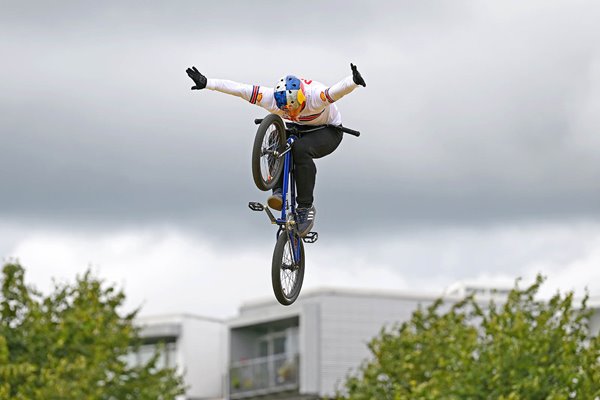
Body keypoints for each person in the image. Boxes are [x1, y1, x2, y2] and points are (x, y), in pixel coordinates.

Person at [186, 63, 366, 236]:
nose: (293, 114)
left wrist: (354, 81)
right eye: (286, 110)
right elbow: (239, 89)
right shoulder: (269, 98)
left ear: (303, 98)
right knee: (275, 139)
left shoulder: (315, 97)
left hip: (327, 130)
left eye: (295, 108)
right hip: (297, 128)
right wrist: (207, 82)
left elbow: (336, 91)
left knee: (300, 149)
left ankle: (305, 207)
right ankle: (278, 191)